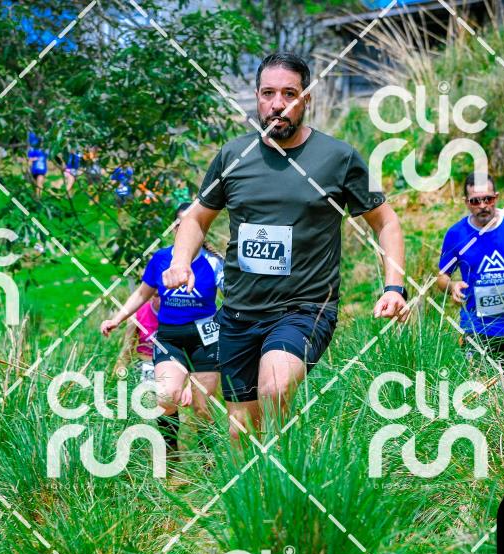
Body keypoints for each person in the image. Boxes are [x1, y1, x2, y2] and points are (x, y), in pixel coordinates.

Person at [162, 52, 407, 441]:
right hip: (239, 314)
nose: (278, 104)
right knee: (241, 434)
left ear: (306, 99)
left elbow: (386, 221)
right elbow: (196, 218)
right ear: (257, 97)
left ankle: (293, 465)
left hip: (304, 309)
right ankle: (278, 476)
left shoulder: (337, 158)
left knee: (274, 389)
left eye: (289, 94)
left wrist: (394, 286)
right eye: (268, 93)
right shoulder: (233, 156)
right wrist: (180, 261)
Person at [101, 202, 225, 455]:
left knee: (202, 408)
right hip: (169, 336)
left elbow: (234, 299)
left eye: (190, 223)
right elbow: (142, 293)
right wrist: (118, 318)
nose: (184, 229)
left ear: (201, 228)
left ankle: (209, 464)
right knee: (165, 398)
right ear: (174, 228)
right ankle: (171, 455)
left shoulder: (214, 262)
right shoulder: (160, 259)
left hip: (205, 339)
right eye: (179, 224)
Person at [436, 172, 504, 394]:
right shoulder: (456, 234)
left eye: (488, 199)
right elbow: (441, 277)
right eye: (475, 201)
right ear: (466, 202)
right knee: (481, 395)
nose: (483, 205)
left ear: (497, 197)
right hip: (476, 326)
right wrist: (452, 286)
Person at [113, 295, 160, 383]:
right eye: (157, 295)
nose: (161, 300)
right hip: (146, 364)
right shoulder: (137, 315)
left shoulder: (179, 315)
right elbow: (127, 350)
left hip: (170, 365)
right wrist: (117, 380)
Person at [27, 132, 48, 196]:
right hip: (34, 170)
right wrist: (34, 159)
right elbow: (29, 159)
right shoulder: (34, 150)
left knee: (39, 184)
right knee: (35, 185)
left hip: (41, 170)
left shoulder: (44, 150)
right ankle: (36, 197)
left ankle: (39, 197)